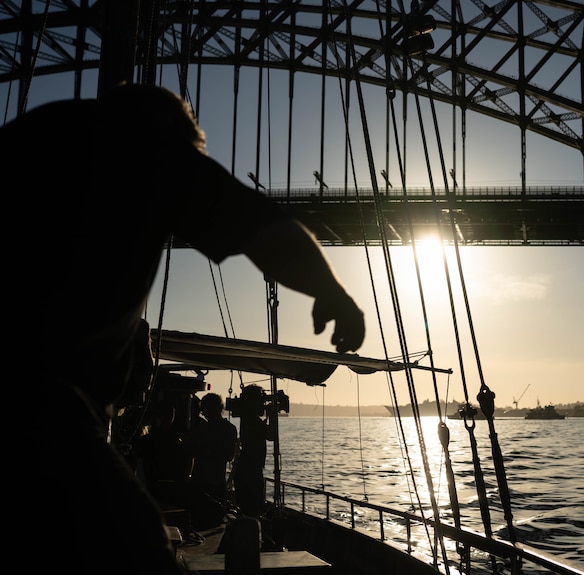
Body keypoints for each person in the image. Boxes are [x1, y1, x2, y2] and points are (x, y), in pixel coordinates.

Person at [7, 83, 365, 574]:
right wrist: (333, 294)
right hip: (39, 399)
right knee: (135, 547)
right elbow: (262, 226)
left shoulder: (37, 131)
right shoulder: (146, 145)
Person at [231, 385, 275, 518]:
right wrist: (272, 415)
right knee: (252, 508)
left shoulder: (248, 419)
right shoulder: (253, 421)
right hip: (251, 470)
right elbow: (271, 435)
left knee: (247, 508)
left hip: (247, 468)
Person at [191, 392, 238, 502]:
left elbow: (228, 455)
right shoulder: (228, 429)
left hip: (214, 482)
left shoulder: (227, 429)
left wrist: (206, 452)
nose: (205, 414)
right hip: (204, 481)